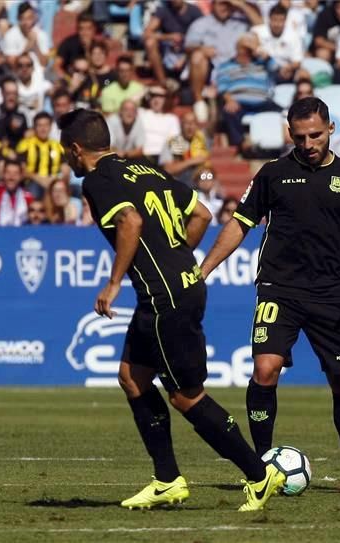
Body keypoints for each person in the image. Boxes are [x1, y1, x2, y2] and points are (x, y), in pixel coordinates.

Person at [57, 108, 284, 511]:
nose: (65, 158)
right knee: (132, 377)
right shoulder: (142, 171)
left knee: (185, 396)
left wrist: (113, 284)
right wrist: (178, 259)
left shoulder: (98, 180)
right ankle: (167, 480)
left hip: (166, 299)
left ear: (76, 149)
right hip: (179, 288)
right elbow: (201, 213)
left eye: (65, 151)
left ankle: (259, 473)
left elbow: (129, 222)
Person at [199, 97, 340, 492]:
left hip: (328, 293)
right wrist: (204, 269)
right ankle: (260, 468)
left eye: (316, 135)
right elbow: (240, 225)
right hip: (278, 289)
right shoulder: (272, 173)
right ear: (290, 134)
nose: (308, 143)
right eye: (300, 137)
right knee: (264, 370)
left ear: (331, 128)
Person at [214, 33, 282, 149]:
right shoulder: (226, 65)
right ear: (238, 48)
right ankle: (241, 144)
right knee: (229, 112)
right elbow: (222, 87)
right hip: (239, 102)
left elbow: (277, 69)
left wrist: (262, 54)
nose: (247, 50)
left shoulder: (262, 63)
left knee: (283, 112)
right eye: (245, 47)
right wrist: (229, 100)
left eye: (251, 47)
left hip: (262, 102)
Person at [143, 0, 203, 87]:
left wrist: (185, 56)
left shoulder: (194, 10)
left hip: (188, 48)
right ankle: (162, 82)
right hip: (168, 48)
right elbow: (147, 33)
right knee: (150, 43)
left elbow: (203, 34)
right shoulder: (163, 10)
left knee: (201, 46)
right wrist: (169, 37)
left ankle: (195, 85)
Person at [251, 3, 305, 83]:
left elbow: (297, 62)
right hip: (263, 67)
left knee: (303, 74)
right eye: (274, 20)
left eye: (281, 20)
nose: (277, 24)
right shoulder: (258, 31)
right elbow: (247, 41)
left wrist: (289, 67)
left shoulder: (293, 35)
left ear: (285, 20)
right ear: (269, 19)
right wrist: (257, 48)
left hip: (284, 70)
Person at [15, 112, 63, 190]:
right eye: (39, 125)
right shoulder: (25, 145)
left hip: (53, 182)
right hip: (32, 183)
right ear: (34, 127)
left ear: (51, 127)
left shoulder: (57, 146)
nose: (43, 129)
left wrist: (55, 180)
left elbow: (65, 170)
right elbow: (22, 170)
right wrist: (41, 179)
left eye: (46, 125)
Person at [160, 111, 210, 186]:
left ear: (197, 125)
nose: (190, 127)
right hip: (180, 185)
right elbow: (168, 170)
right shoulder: (174, 142)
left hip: (201, 184)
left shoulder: (202, 140)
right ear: (181, 125)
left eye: (193, 123)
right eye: (186, 123)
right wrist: (192, 161)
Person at [1, 2, 51, 67]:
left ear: (35, 18)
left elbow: (44, 64)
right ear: (18, 19)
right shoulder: (10, 35)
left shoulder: (42, 35)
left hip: (39, 75)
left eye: (30, 18)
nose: (27, 22)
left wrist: (36, 46)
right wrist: (27, 47)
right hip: (18, 76)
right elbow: (12, 64)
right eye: (23, 19)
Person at [0, 159, 33, 226]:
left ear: (21, 176)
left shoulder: (28, 198)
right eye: (8, 173)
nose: (11, 177)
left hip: (21, 234)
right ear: (3, 175)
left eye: (16, 173)